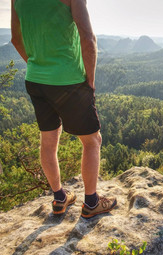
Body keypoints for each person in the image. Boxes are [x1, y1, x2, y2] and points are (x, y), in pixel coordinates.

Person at [11, 0, 117, 218]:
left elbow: (16, 39)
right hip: (69, 80)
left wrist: (36, 64)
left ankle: (60, 198)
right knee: (92, 141)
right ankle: (91, 202)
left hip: (35, 79)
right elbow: (88, 39)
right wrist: (90, 80)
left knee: (48, 140)